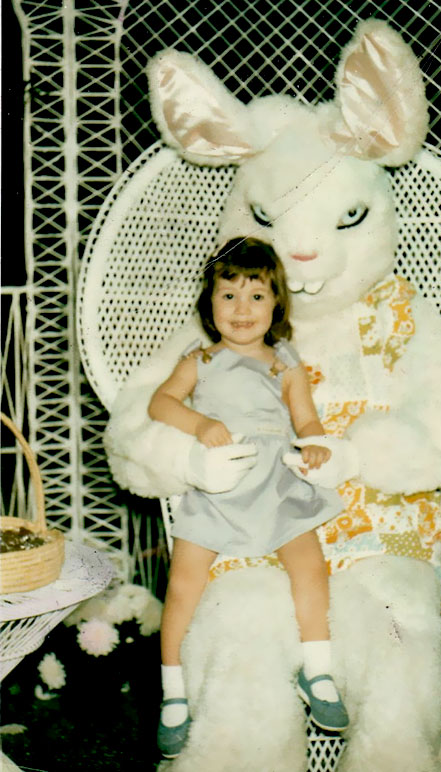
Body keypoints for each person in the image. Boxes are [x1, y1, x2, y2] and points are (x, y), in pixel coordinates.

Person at [148, 237, 349, 758]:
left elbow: (305, 418)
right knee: (183, 582)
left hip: (277, 484)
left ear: (277, 302)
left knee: (310, 566)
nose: (242, 309)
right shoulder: (201, 361)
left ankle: (318, 669)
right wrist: (201, 423)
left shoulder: (285, 362)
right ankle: (174, 692)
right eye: (228, 295)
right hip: (220, 482)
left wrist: (316, 445)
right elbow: (160, 403)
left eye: (257, 296)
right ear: (209, 303)